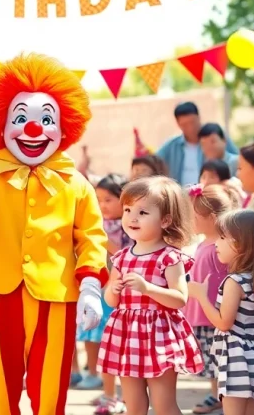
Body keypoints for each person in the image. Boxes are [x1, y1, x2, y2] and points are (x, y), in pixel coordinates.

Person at [0, 53, 109, 415]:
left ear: (63, 126)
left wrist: (91, 286)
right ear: (2, 123)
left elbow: (92, 237)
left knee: (50, 389)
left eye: (46, 119)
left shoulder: (76, 183)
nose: (33, 129)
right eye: (21, 119)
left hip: (56, 296)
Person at [98, 176, 200, 415]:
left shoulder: (169, 257)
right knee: (134, 405)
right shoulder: (122, 257)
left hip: (159, 336)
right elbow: (112, 302)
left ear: (165, 220)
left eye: (143, 212)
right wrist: (112, 291)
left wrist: (148, 289)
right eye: (128, 210)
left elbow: (179, 298)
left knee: (164, 404)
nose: (132, 217)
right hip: (127, 335)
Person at [189, 209, 254, 414]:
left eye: (222, 237)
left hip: (236, 357)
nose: (216, 243)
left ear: (240, 244)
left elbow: (224, 322)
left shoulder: (234, 282)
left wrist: (201, 296)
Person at [81, 174, 129, 415]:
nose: (102, 205)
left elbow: (123, 254)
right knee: (101, 343)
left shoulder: (128, 225)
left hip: (119, 294)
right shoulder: (97, 224)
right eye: (98, 199)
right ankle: (108, 392)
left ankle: (121, 395)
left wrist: (102, 237)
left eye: (108, 199)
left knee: (118, 346)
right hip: (99, 291)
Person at [186, 184, 235, 414]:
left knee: (219, 360)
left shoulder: (220, 247)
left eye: (195, 216)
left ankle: (222, 396)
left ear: (212, 218)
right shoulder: (203, 243)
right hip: (201, 312)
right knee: (210, 360)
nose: (191, 220)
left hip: (213, 315)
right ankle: (215, 393)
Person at [156, 102, 237, 185]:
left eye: (192, 122)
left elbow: (237, 159)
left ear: (199, 118)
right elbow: (154, 161)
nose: (190, 128)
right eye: (185, 124)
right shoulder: (171, 146)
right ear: (178, 124)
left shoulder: (215, 135)